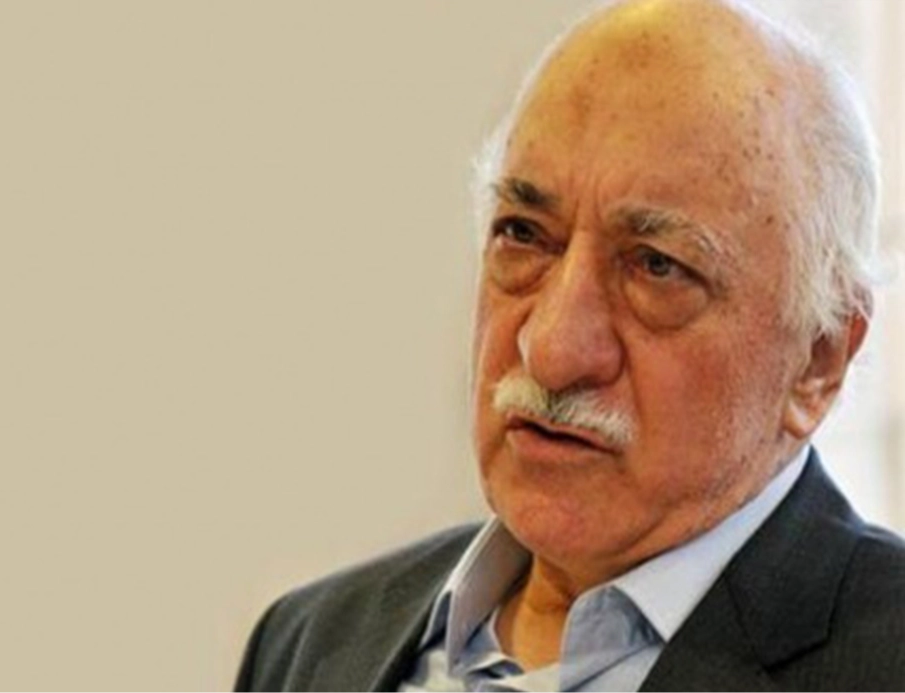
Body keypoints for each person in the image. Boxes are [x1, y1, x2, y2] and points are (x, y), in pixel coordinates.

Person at [233, 0, 905, 690]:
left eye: (657, 266)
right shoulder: (309, 642)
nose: (550, 350)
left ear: (818, 358)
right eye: (523, 234)